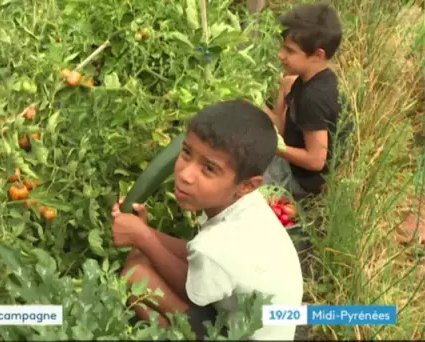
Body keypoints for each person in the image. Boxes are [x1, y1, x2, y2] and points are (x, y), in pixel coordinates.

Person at [111, 100, 304, 340]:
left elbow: (193, 289)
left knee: (136, 275)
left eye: (209, 169)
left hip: (242, 335)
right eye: (186, 152)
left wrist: (142, 237)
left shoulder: (217, 245)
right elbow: (194, 254)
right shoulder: (243, 205)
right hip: (253, 318)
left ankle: (166, 334)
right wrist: (143, 233)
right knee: (141, 255)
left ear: (247, 185)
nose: (185, 175)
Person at [262, 2, 347, 200]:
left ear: (318, 55)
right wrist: (256, 105)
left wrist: (274, 147)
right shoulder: (310, 79)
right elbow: (282, 129)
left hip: (300, 181)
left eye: (290, 51)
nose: (280, 55)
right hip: (293, 164)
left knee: (239, 183)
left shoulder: (314, 98)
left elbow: (316, 160)